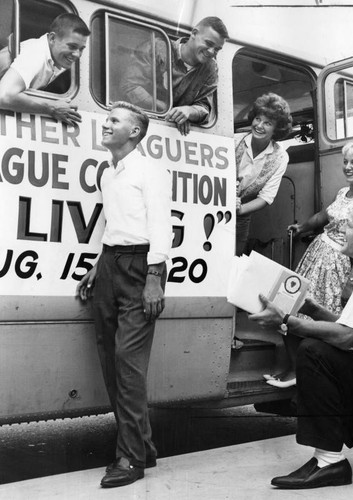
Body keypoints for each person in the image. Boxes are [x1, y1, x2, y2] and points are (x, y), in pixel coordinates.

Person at [249, 201, 353, 489]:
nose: (342, 230)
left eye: (349, 225)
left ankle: (329, 462)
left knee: (314, 352)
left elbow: (346, 337)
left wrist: (286, 321)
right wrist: (314, 310)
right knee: (326, 349)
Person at [76, 101, 172, 488]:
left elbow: (160, 225)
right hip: (112, 265)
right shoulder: (109, 173)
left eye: (114, 120)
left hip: (141, 268)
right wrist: (98, 266)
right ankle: (142, 446)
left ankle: (131, 460)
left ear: (134, 132)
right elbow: (114, 225)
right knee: (110, 361)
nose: (106, 122)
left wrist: (154, 277)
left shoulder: (149, 170)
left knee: (127, 364)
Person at [264, 140, 353, 387]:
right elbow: (323, 216)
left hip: (336, 266)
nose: (348, 167)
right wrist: (303, 226)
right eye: (346, 162)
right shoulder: (343, 193)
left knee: (312, 315)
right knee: (288, 305)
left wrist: (351, 280)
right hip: (316, 255)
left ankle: (301, 373)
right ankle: (293, 367)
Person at [121, 17, 229, 135]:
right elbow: (130, 86)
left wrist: (189, 112)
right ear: (194, 33)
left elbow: (204, 107)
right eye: (208, 43)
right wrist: (169, 111)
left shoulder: (211, 68)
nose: (211, 52)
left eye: (217, 49)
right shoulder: (158, 48)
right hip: (135, 124)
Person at [0, 13, 90, 125]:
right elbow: (4, 96)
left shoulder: (58, 56)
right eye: (72, 46)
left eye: (81, 49)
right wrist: (51, 108)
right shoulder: (36, 53)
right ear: (52, 38)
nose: (77, 54)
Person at [235, 93, 292, 256]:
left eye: (267, 123)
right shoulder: (233, 140)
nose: (259, 126)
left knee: (232, 263)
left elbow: (266, 198)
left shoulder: (280, 157)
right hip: (212, 210)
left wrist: (239, 210)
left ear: (277, 129)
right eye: (258, 119)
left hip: (241, 217)